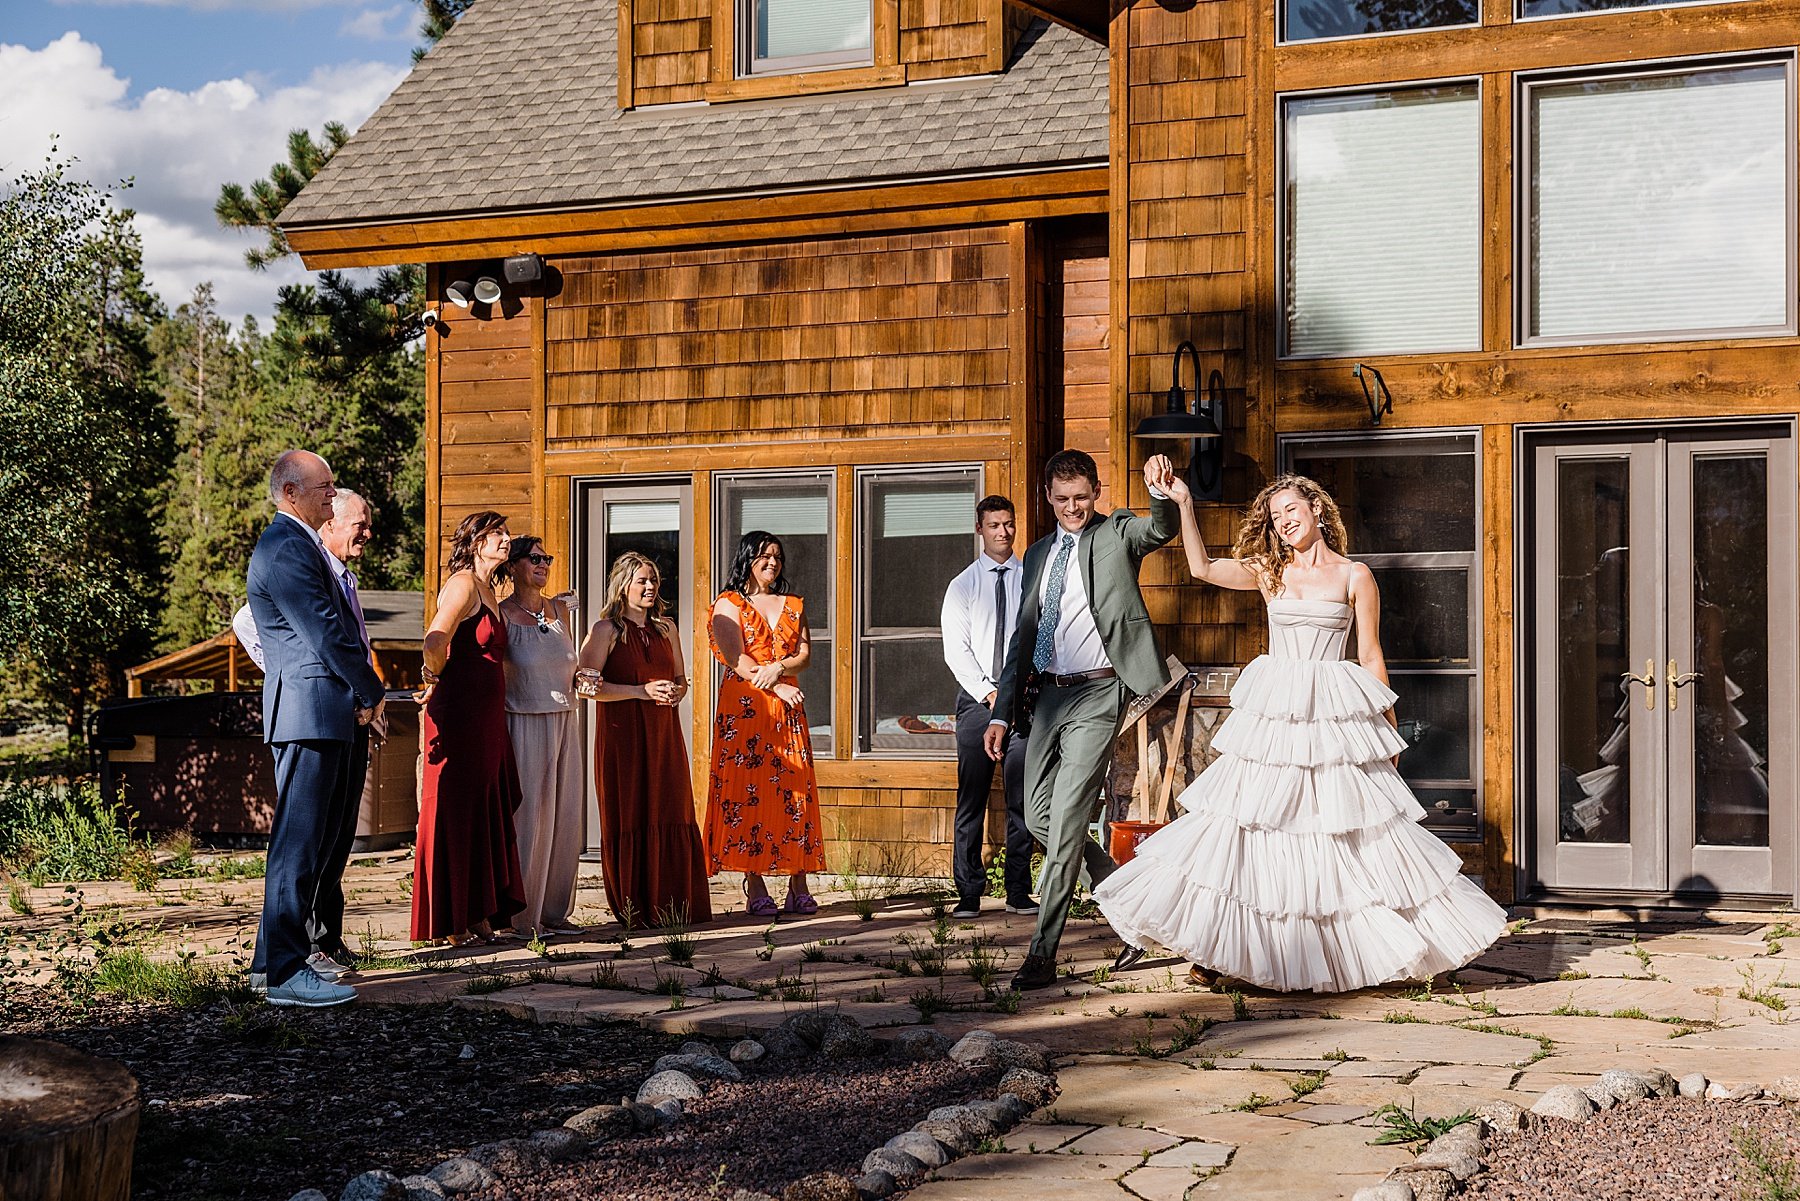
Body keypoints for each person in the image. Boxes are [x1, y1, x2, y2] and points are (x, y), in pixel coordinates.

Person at [1093, 468, 1509, 993]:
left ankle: (1366, 945)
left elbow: (1370, 653)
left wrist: (1386, 720)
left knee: (1342, 829)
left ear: (1315, 509)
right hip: (1277, 713)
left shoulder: (1355, 576)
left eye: (1291, 510)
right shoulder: (1272, 571)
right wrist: (1183, 502)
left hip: (1333, 714)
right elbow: (1200, 568)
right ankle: (1226, 948)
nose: (1284, 521)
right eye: (1275, 516)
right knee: (1252, 826)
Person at [984, 450, 1179, 991]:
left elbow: (1159, 528)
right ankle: (1127, 898)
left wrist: (1160, 491)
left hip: (1099, 692)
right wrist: (1002, 712)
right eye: (1062, 499)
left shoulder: (1116, 533)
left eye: (1082, 497)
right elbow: (1022, 637)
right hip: (1045, 697)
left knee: (1068, 817)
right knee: (1039, 815)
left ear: (1096, 492)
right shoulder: (1038, 552)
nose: (1073, 507)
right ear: (1047, 497)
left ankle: (1042, 953)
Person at [245, 450, 386, 1008]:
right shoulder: (285, 547)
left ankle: (271, 963)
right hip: (307, 712)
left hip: (322, 711)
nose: (332, 495)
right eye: (323, 487)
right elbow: (326, 631)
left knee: (313, 843)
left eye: (331, 487)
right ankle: (283, 972)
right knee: (298, 844)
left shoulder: (299, 544)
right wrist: (371, 689)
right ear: (290, 492)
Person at [577, 552, 712, 928]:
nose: (651, 587)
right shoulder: (606, 629)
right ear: (623, 585)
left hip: (665, 735)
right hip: (624, 739)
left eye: (654, 580)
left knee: (671, 807)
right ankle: (637, 907)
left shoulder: (667, 628)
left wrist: (677, 692)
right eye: (642, 580)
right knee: (633, 809)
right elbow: (585, 684)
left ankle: (676, 903)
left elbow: (682, 678)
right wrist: (640, 691)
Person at [412, 510, 527, 946]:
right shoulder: (462, 584)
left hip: (488, 717)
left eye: (506, 531)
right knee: (454, 813)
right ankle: (448, 921)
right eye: (496, 533)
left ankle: (479, 912)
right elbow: (436, 637)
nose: (506, 539)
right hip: (459, 715)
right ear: (475, 542)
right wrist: (432, 675)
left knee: (485, 811)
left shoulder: (491, 591)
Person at [705, 531, 827, 917]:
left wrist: (779, 668)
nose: (772, 563)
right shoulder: (728, 604)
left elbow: (804, 654)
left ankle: (799, 884)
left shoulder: (792, 603)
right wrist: (775, 683)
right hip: (746, 709)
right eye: (764, 556)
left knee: (796, 791)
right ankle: (754, 883)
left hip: (786, 709)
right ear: (747, 558)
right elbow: (735, 658)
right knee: (749, 794)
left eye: (777, 557)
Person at [940, 494, 1037, 919]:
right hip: (978, 702)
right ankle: (969, 893)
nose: (1003, 532)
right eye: (994, 525)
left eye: (1009, 524)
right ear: (980, 529)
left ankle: (1018, 891)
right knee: (972, 797)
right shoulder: (963, 585)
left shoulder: (1030, 579)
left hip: (1026, 701)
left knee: (1021, 796)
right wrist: (989, 691)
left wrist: (1016, 692)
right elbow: (956, 651)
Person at [499, 536, 587, 938]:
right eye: (534, 558)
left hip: (566, 718)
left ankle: (554, 912)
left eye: (546, 558)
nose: (542, 564)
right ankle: (521, 917)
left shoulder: (558, 611)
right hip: (524, 720)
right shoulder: (502, 615)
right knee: (529, 819)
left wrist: (582, 676)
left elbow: (569, 662)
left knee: (565, 818)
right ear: (514, 565)